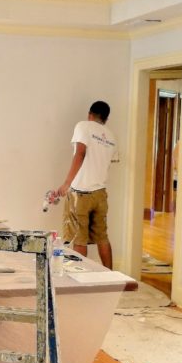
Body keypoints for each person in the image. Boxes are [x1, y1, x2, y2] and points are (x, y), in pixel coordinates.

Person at [53, 100, 118, 269]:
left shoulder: (84, 126)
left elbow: (80, 153)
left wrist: (67, 184)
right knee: (102, 237)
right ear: (105, 119)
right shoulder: (110, 136)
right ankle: (110, 276)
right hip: (100, 194)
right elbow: (107, 163)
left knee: (78, 238)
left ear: (90, 114)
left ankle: (79, 276)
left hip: (80, 194)